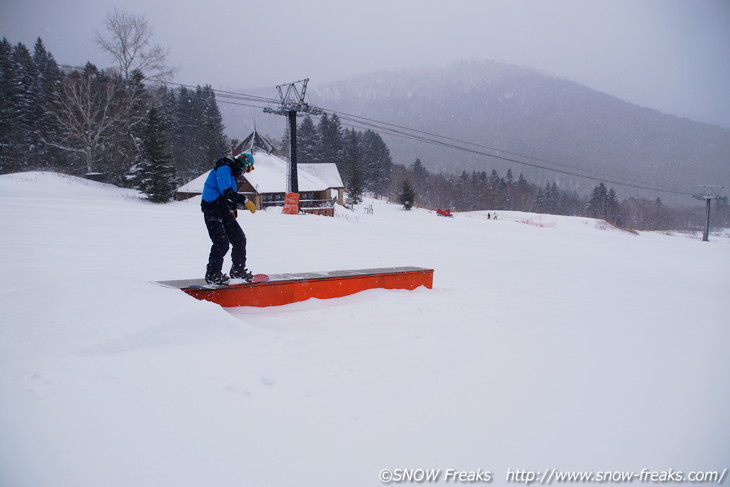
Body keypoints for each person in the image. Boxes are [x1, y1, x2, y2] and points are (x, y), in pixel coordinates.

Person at [200, 153, 257, 285]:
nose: (245, 172)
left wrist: (233, 209)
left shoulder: (232, 173)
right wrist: (245, 200)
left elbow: (229, 196)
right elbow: (226, 191)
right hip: (212, 208)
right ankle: (213, 274)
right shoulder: (224, 167)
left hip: (223, 209)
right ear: (244, 164)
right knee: (221, 242)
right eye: (248, 169)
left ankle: (237, 270)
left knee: (239, 239)